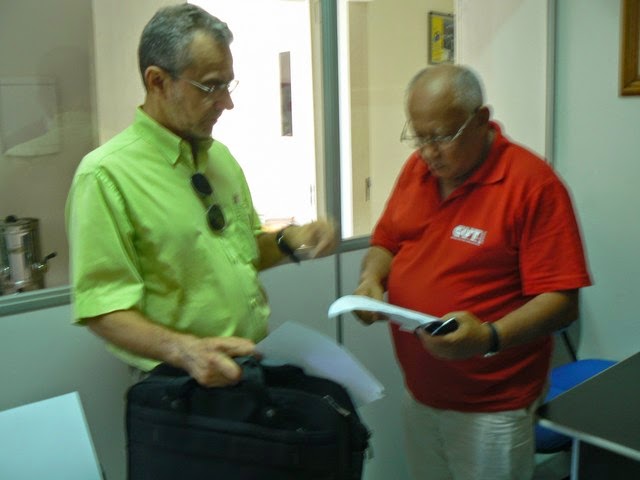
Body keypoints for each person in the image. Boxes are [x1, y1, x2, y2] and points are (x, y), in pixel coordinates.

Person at [65, 4, 336, 388]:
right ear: (158, 81)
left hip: (247, 369)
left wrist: (289, 239)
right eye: (211, 86)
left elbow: (243, 253)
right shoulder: (105, 175)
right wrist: (184, 351)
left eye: (228, 85)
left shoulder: (219, 158)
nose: (226, 103)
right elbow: (102, 309)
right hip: (178, 384)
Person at [353, 65, 591, 480]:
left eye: (441, 136)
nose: (428, 152)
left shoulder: (532, 185)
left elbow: (561, 301)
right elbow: (386, 242)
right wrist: (371, 280)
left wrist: (488, 337)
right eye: (419, 136)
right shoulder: (417, 171)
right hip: (421, 394)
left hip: (493, 408)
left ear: (480, 120)